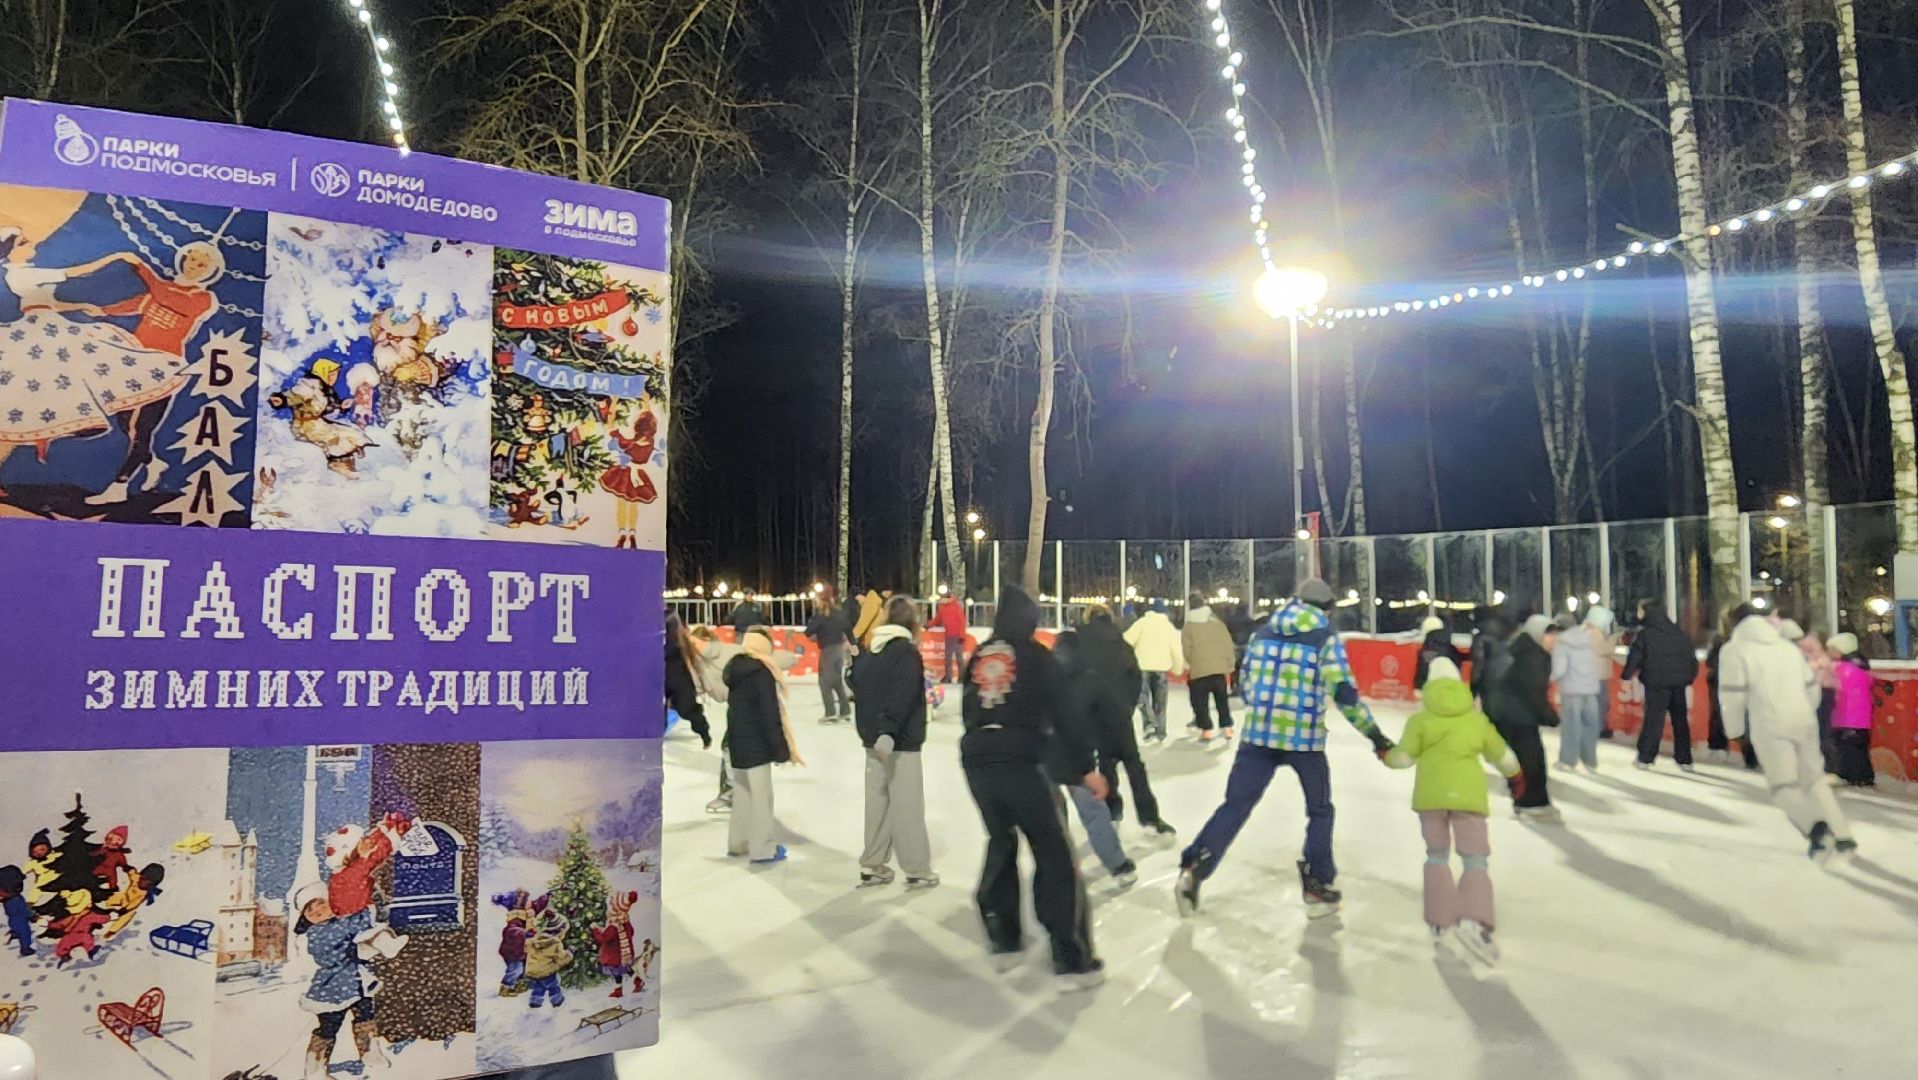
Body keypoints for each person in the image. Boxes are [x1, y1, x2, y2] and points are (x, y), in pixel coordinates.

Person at [1176, 578, 1397, 919]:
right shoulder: (1324, 636)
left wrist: (1266, 705)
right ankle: (1317, 884)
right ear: (1326, 608)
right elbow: (1344, 693)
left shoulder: (1262, 633)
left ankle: (1195, 866)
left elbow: (1246, 686)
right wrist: (1377, 737)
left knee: (1235, 805)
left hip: (1258, 737)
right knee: (1320, 810)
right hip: (1303, 741)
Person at [960, 586, 1106, 989]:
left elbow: (969, 706)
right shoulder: (1036, 657)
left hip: (977, 758)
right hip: (1020, 759)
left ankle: (1004, 936)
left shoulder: (981, 654)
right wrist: (1085, 769)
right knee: (1054, 851)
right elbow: (1066, 715)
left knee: (1002, 839)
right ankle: (1071, 957)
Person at [1384, 658, 1523, 965]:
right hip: (1468, 797)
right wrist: (1515, 775)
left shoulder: (1420, 721)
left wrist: (1387, 756)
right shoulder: (1475, 719)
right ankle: (1474, 920)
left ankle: (1440, 918)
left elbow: (1403, 759)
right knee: (1475, 859)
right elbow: (1502, 755)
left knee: (1436, 856)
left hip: (1430, 798)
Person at [1718, 605, 1857, 862]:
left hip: (1770, 724)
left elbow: (1732, 693)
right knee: (1814, 780)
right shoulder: (1786, 648)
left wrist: (1734, 729)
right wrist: (1807, 709)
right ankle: (1843, 835)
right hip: (1803, 720)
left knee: (1783, 787)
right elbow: (1811, 685)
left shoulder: (1735, 650)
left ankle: (1817, 829)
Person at [851, 596, 938, 889]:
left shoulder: (872, 651)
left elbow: (857, 684)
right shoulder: (905, 653)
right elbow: (902, 693)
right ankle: (916, 869)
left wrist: (873, 731)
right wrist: (888, 731)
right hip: (899, 741)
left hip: (872, 740)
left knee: (877, 804)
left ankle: (873, 864)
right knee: (907, 806)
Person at [1067, 605, 1174, 836]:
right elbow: (1135, 678)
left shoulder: (1080, 644)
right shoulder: (1122, 644)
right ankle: (1150, 816)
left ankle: (1113, 810)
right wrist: (1127, 705)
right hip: (1120, 714)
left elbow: (1073, 678)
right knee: (1134, 766)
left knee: (1106, 763)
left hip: (1095, 715)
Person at [1050, 626, 1139, 888]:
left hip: (1043, 757)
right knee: (1095, 813)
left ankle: (1060, 870)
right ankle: (1118, 865)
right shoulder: (1091, 680)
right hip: (1080, 760)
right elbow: (1116, 718)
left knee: (1052, 819)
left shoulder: (1044, 677)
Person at [724, 627, 801, 864]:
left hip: (735, 741)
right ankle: (762, 848)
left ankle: (739, 842)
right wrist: (780, 750)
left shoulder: (735, 669)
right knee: (762, 798)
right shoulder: (761, 673)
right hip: (756, 744)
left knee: (743, 794)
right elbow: (769, 714)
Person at [1485, 615, 1560, 820]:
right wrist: (1550, 716)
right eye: (1549, 636)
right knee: (1531, 758)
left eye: (1555, 637)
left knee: (1524, 758)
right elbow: (1533, 692)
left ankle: (1526, 800)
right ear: (1537, 634)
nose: (1553, 641)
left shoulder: (1522, 647)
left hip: (1507, 712)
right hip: (1515, 714)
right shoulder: (1533, 655)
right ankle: (1532, 802)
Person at [1622, 600, 1699, 771]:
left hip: (1656, 683)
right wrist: (1688, 677)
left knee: (1653, 720)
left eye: (1640, 610)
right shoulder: (1679, 633)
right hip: (1678, 684)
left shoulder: (1645, 635)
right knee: (1680, 721)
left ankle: (1646, 757)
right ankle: (1685, 758)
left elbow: (1635, 657)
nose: (1638, 614)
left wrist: (1626, 675)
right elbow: (1691, 659)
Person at [1551, 608, 1605, 772]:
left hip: (1571, 690)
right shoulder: (1586, 640)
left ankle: (1568, 760)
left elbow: (1560, 670)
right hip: (1590, 689)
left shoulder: (1562, 643)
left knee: (1571, 726)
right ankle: (1590, 761)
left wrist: (1549, 678)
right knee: (1590, 726)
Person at [1123, 601, 1184, 743]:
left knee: (1141, 695)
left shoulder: (1142, 623)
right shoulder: (1168, 627)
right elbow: (1177, 650)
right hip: (1161, 668)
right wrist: (1177, 669)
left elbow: (1126, 640)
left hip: (1142, 666)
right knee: (1160, 701)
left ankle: (1149, 722)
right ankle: (1161, 731)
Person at [1782, 620, 1837, 776]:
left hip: (1823, 693)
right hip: (1811, 695)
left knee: (1821, 730)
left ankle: (1826, 766)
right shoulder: (1807, 658)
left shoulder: (1822, 661)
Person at [1182, 593, 1238, 741]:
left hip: (1199, 670)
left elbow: (1186, 649)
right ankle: (1227, 727)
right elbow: (1228, 645)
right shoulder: (1218, 624)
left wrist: (1193, 662)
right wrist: (1229, 664)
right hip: (1218, 669)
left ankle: (1206, 729)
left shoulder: (1189, 627)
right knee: (1221, 700)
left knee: (1199, 701)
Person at [1826, 633, 1876, 787]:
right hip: (1862, 719)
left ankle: (1850, 775)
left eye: (1832, 649)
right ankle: (1864, 776)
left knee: (1846, 748)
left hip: (1844, 717)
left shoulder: (1840, 669)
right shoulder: (1862, 667)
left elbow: (1833, 690)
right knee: (1859, 748)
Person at [805, 591, 855, 724]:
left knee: (825, 682)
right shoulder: (839, 614)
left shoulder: (821, 616)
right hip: (839, 649)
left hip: (828, 650)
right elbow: (848, 629)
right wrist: (853, 643)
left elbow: (809, 631)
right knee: (836, 680)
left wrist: (816, 630)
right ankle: (845, 711)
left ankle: (830, 713)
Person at [665, 613, 713, 749]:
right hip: (656, 675)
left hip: (677, 675)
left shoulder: (671, 618)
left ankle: (703, 731)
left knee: (687, 708)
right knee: (653, 712)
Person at [1414, 615, 1468, 691]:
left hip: (1435, 687)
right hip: (1454, 686)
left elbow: (1423, 669)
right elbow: (1459, 660)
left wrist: (1418, 687)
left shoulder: (1428, 649)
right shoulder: (1449, 646)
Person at [936, 593, 970, 684]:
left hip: (957, 636)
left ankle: (962, 677)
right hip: (948, 636)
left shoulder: (956, 607)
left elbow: (962, 622)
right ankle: (948, 677)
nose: (942, 601)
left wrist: (962, 636)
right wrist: (928, 625)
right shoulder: (942, 608)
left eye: (943, 599)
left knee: (959, 658)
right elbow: (938, 620)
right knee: (948, 657)